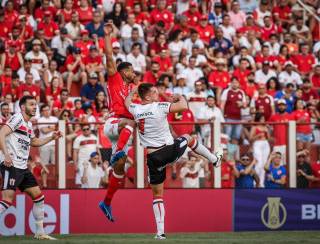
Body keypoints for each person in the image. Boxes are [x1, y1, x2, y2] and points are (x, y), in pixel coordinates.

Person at [124, 83, 223, 239]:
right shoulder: (158, 106)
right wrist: (180, 97)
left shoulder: (135, 109)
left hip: (152, 158)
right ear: (148, 97)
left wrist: (133, 92)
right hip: (167, 151)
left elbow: (126, 102)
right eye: (155, 92)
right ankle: (214, 159)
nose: (158, 94)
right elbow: (184, 106)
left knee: (157, 195)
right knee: (189, 138)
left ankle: (160, 233)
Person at [0, 95, 61, 240]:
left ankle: (40, 232)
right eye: (32, 104)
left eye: (36, 105)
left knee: (38, 197)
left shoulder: (28, 124)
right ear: (22, 107)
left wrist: (52, 137)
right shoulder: (17, 118)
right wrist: (6, 155)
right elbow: (1, 133)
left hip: (22, 167)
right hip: (11, 164)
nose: (35, 107)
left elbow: (34, 141)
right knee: (7, 200)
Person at [100, 23, 136, 221]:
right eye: (130, 70)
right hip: (114, 123)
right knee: (129, 123)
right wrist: (107, 36)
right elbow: (108, 56)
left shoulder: (131, 91)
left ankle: (106, 202)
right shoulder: (115, 79)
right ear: (123, 71)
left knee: (120, 172)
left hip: (122, 132)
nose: (133, 73)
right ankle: (120, 151)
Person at [249, 112, 270, 187]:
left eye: (263, 119)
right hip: (257, 144)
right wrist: (258, 135)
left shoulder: (265, 127)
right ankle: (255, 182)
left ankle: (261, 183)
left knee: (264, 163)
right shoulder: (254, 127)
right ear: (258, 119)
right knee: (258, 163)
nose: (263, 120)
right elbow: (250, 138)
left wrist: (268, 131)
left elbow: (269, 138)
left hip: (265, 144)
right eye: (261, 119)